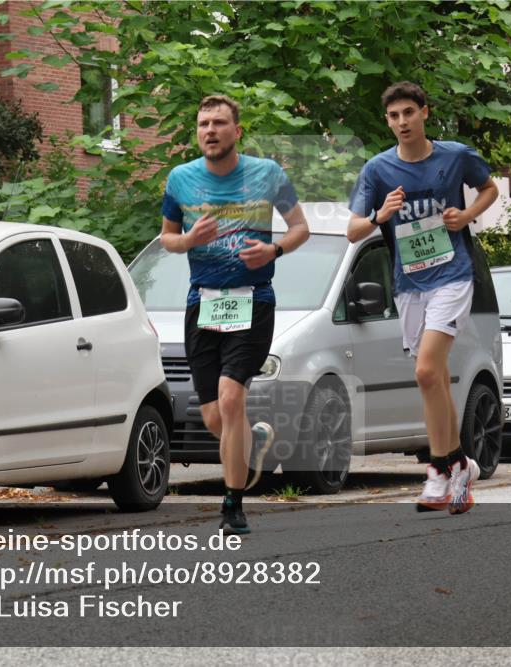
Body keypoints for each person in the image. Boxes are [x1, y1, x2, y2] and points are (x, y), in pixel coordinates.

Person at [347, 81, 498, 514]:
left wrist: (466, 215)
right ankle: (459, 466)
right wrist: (381, 215)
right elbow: (353, 230)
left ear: (424, 113)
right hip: (408, 283)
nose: (401, 123)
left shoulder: (454, 156)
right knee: (431, 379)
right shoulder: (377, 170)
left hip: (453, 274)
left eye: (408, 113)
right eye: (394, 117)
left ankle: (437, 468)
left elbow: (489, 188)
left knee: (428, 370)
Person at [161, 95, 309, 534]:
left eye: (219, 123)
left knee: (231, 397)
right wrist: (188, 241)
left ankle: (232, 507)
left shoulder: (267, 174)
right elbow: (167, 236)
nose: (210, 130)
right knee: (214, 417)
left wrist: (275, 248)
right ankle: (252, 440)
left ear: (237, 131)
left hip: (253, 299)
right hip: (202, 302)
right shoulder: (181, 179)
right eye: (203, 123)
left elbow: (299, 226)